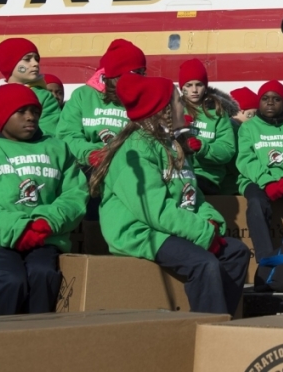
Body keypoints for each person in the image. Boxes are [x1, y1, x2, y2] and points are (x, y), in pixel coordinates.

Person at [90, 74, 248, 315]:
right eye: (177, 101)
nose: (182, 105)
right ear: (161, 110)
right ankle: (209, 329)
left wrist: (211, 220)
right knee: (204, 263)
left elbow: (193, 195)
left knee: (237, 252)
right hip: (141, 230)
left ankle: (223, 319)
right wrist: (203, 233)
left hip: (169, 226)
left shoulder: (173, 144)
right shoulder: (135, 149)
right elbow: (154, 211)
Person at [0, 84, 87, 315]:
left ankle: (39, 338)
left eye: (35, 111)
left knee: (44, 275)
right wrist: (19, 229)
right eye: (22, 111)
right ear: (2, 115)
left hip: (44, 236)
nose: (30, 117)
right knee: (11, 281)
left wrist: (46, 222)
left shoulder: (57, 148)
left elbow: (75, 195)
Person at [236, 81, 283, 263]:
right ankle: (265, 260)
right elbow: (246, 158)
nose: (270, 102)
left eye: (276, 99)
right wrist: (266, 181)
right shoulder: (248, 128)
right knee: (256, 203)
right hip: (255, 181)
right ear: (259, 102)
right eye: (265, 98)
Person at [57, 39, 146, 173]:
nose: (142, 78)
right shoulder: (83, 95)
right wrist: (91, 154)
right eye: (137, 72)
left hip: (130, 169)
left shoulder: (144, 99)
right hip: (88, 168)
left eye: (143, 72)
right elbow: (67, 134)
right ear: (118, 73)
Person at [178, 59, 237, 196]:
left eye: (199, 84)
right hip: (179, 172)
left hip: (207, 177)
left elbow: (228, 150)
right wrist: (177, 130)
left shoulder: (218, 113)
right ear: (182, 88)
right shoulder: (174, 111)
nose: (194, 90)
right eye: (189, 85)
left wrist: (203, 148)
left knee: (188, 189)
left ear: (205, 86)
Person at [0, 38, 60, 135]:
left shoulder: (44, 97)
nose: (35, 64)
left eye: (36, 59)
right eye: (27, 59)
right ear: (8, 63)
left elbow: (50, 132)